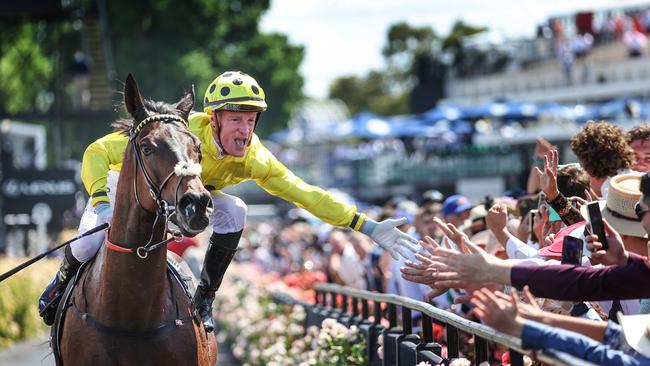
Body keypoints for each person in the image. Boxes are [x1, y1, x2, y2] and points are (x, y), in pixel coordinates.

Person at [38, 71, 419, 331]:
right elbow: (95, 152)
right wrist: (101, 201)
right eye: (236, 119)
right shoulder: (180, 134)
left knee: (236, 209)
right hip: (130, 185)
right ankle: (61, 282)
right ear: (215, 119)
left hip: (188, 194)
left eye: (251, 119)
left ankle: (205, 297)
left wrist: (365, 225)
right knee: (90, 238)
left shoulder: (257, 158)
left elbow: (307, 194)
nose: (246, 129)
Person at [401, 172, 650, 303]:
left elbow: (569, 284)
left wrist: (489, 271)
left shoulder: (631, 268)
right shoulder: (628, 266)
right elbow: (564, 277)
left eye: (643, 209)